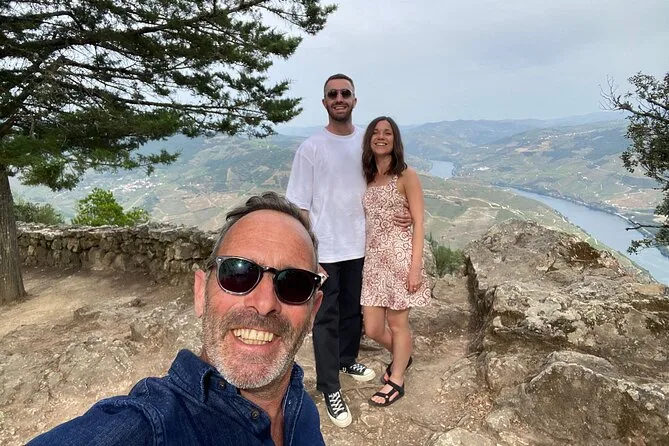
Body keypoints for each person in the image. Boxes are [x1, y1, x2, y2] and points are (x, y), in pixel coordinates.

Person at [28, 192, 327, 446]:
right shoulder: (150, 427)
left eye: (294, 284)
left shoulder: (300, 409)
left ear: (313, 310)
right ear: (200, 293)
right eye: (238, 274)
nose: (264, 304)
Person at [360, 116, 431, 408]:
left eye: (387, 133)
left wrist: (415, 269)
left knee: (398, 324)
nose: (381, 137)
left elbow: (419, 223)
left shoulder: (406, 175)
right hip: (374, 262)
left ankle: (397, 380)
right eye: (376, 132)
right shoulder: (367, 176)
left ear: (395, 139)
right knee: (372, 328)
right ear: (369, 139)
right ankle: (403, 355)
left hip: (400, 260)